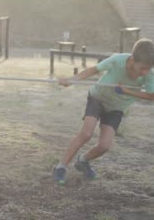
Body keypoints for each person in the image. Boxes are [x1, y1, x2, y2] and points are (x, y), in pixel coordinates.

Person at [53, 38, 154, 184]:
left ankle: (83, 161)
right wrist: (73, 79)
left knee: (104, 146)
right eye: (142, 68)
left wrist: (127, 91)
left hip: (116, 108)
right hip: (97, 98)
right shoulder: (117, 60)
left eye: (148, 68)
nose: (145, 72)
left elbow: (152, 96)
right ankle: (60, 167)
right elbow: (94, 69)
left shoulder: (149, 74)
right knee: (86, 134)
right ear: (132, 60)